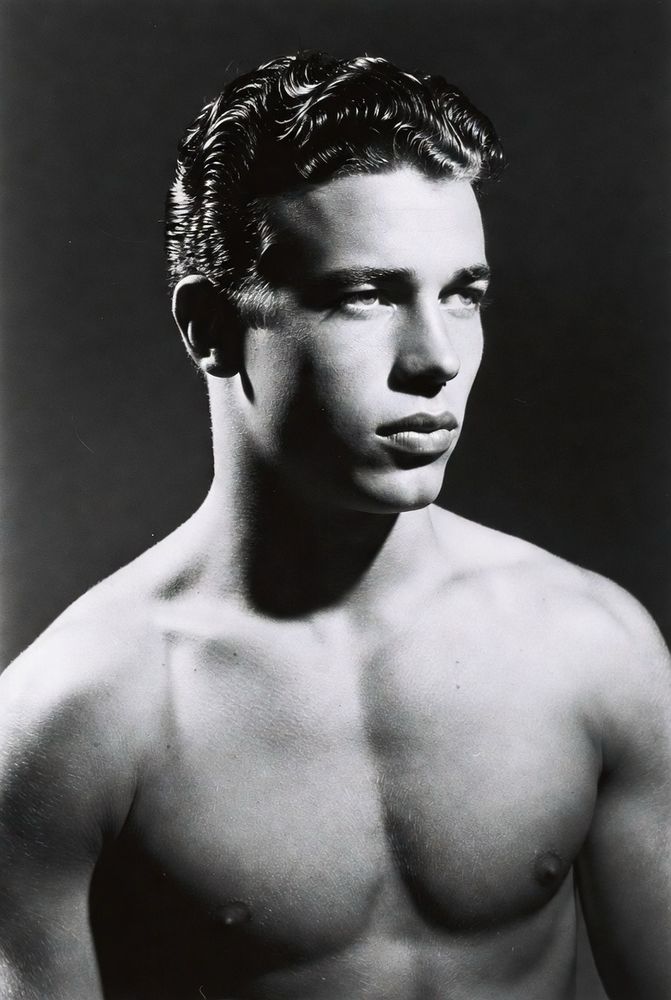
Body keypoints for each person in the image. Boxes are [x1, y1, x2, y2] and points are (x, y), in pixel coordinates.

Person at [0, 51, 669, 1000]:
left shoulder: (594, 647)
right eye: (365, 295)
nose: (435, 360)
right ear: (209, 328)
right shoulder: (74, 720)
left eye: (463, 294)